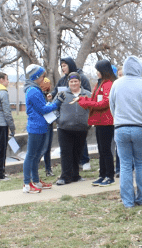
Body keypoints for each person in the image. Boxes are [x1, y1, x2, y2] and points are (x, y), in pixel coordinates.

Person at [109, 56, 142, 208]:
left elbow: (112, 106)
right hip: (140, 128)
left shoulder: (116, 84)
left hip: (121, 127)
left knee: (125, 165)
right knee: (141, 163)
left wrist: (119, 119)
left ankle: (128, 201)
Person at [75, 60, 117, 187]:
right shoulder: (100, 83)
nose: (96, 72)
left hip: (106, 121)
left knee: (106, 150)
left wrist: (86, 103)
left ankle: (109, 176)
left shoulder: (108, 84)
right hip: (99, 121)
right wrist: (84, 99)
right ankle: (102, 174)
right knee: (101, 150)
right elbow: (94, 100)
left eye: (98, 70)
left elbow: (104, 103)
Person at [23, 64, 62, 193]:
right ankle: (27, 184)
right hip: (36, 127)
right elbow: (43, 109)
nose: (43, 78)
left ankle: (36, 181)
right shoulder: (33, 91)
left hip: (40, 126)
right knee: (31, 155)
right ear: (36, 76)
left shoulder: (35, 89)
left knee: (36, 156)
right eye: (41, 76)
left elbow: (43, 105)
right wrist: (56, 103)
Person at [53, 57, 92, 171]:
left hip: (82, 126)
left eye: (76, 81)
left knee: (78, 150)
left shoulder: (86, 91)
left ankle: (78, 171)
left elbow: (92, 106)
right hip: (65, 126)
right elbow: (55, 106)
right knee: (66, 152)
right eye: (71, 81)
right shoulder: (63, 88)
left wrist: (88, 121)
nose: (73, 83)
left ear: (80, 82)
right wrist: (59, 120)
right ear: (68, 82)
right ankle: (65, 175)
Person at [40, 77, 55, 177]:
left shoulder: (47, 96)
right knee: (44, 148)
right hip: (43, 124)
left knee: (48, 147)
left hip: (49, 123)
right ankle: (46, 168)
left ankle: (48, 168)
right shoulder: (39, 95)